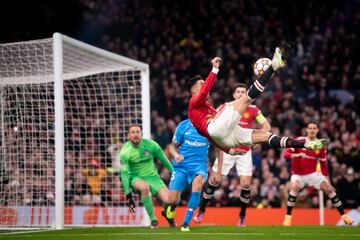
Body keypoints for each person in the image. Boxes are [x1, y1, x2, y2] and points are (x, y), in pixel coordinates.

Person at [186, 47, 326, 155]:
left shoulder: (202, 110)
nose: (204, 85)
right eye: (201, 83)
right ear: (193, 91)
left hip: (224, 137)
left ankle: (305, 145)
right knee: (246, 99)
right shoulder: (193, 102)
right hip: (219, 130)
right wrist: (214, 69)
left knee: (265, 136)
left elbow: (211, 137)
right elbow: (204, 92)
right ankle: (273, 66)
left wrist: (230, 151)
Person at [194, 83, 271, 226]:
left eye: (243, 91)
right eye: (238, 92)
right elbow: (214, 126)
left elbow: (266, 126)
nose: (241, 94)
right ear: (234, 95)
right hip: (226, 148)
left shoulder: (253, 109)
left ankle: (242, 216)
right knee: (214, 180)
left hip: (245, 151)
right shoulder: (225, 107)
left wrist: (255, 141)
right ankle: (201, 210)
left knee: (246, 184)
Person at [283, 121, 353, 226]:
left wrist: (328, 181)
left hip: (312, 174)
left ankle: (344, 216)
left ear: (317, 130)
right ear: (306, 130)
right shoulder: (299, 141)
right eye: (310, 128)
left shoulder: (320, 145)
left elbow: (323, 165)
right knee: (295, 186)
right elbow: (285, 154)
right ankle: (288, 217)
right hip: (298, 174)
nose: (312, 130)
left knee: (329, 189)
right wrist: (297, 155)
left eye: (314, 128)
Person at [165, 119, 223, 232]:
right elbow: (172, 146)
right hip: (181, 166)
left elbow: (219, 149)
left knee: (197, 185)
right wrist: (176, 155)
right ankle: (172, 206)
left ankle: (185, 223)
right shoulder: (183, 125)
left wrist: (218, 172)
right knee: (172, 199)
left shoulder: (210, 127)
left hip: (199, 167)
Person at [119, 124, 176, 228]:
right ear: (128, 136)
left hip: (153, 178)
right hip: (136, 178)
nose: (136, 134)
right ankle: (153, 220)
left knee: (170, 200)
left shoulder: (152, 145)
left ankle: (168, 216)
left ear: (141, 134)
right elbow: (124, 173)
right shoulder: (125, 151)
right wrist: (128, 195)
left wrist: (173, 172)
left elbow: (163, 159)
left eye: (138, 132)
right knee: (144, 187)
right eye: (133, 132)